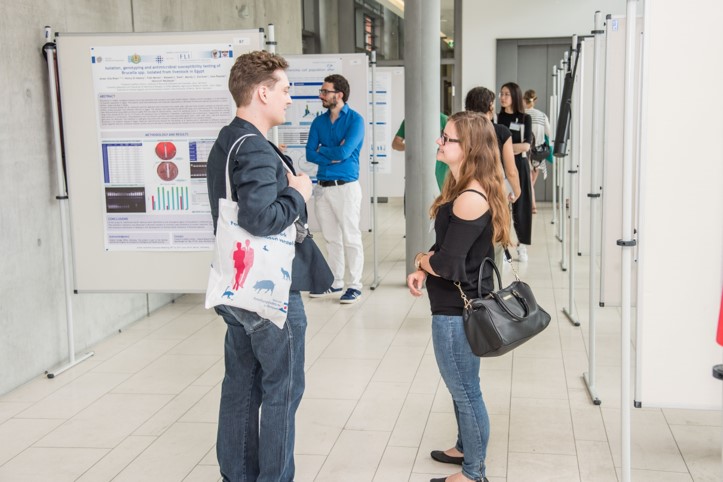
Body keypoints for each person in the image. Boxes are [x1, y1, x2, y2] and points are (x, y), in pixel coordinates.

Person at [206, 50, 332, 482]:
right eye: (284, 89)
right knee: (283, 390)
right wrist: (298, 192)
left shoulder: (228, 140)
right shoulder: (256, 149)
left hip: (236, 288)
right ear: (262, 92)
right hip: (270, 293)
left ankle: (236, 475)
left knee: (241, 386)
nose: (289, 99)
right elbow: (259, 218)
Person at [407, 111, 511, 482]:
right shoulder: (463, 186)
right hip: (455, 305)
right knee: (463, 387)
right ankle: (466, 448)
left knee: (466, 391)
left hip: (456, 310)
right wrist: (424, 266)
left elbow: (449, 265)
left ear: (467, 147)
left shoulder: (470, 196)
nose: (440, 142)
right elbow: (448, 248)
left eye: (447, 138)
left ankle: (473, 472)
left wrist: (420, 259)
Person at [306, 74, 365, 304]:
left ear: (338, 95)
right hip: (322, 188)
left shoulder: (355, 121)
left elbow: (344, 153)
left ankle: (355, 285)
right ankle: (336, 281)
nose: (321, 95)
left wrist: (325, 152)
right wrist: (332, 154)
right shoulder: (318, 122)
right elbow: (311, 153)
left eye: (325, 92)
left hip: (346, 188)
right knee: (331, 238)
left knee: (351, 237)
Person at [465, 86, 520, 267]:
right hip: (494, 194)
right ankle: (490, 289)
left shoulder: (461, 130)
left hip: (466, 193)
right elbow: (511, 170)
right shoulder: (501, 131)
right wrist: (517, 191)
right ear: (489, 106)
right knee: (494, 244)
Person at [497, 82, 533, 262]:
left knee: (521, 206)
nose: (502, 97)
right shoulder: (497, 119)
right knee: (502, 208)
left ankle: (522, 245)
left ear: (515, 97)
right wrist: (512, 148)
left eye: (506, 94)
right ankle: (504, 248)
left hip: (521, 165)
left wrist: (506, 147)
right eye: (501, 94)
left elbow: (527, 145)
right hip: (501, 167)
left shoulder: (525, 118)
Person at [392, 113, 449, 190]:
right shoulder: (410, 120)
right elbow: (395, 144)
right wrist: (412, 147)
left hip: (438, 171)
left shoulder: (443, 119)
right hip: (415, 171)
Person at [523, 89, 553, 214]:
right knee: (531, 181)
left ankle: (531, 205)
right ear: (534, 101)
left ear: (524, 100)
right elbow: (550, 133)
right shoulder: (542, 115)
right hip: (538, 154)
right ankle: (532, 205)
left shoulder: (521, 115)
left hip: (524, 151)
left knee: (528, 181)